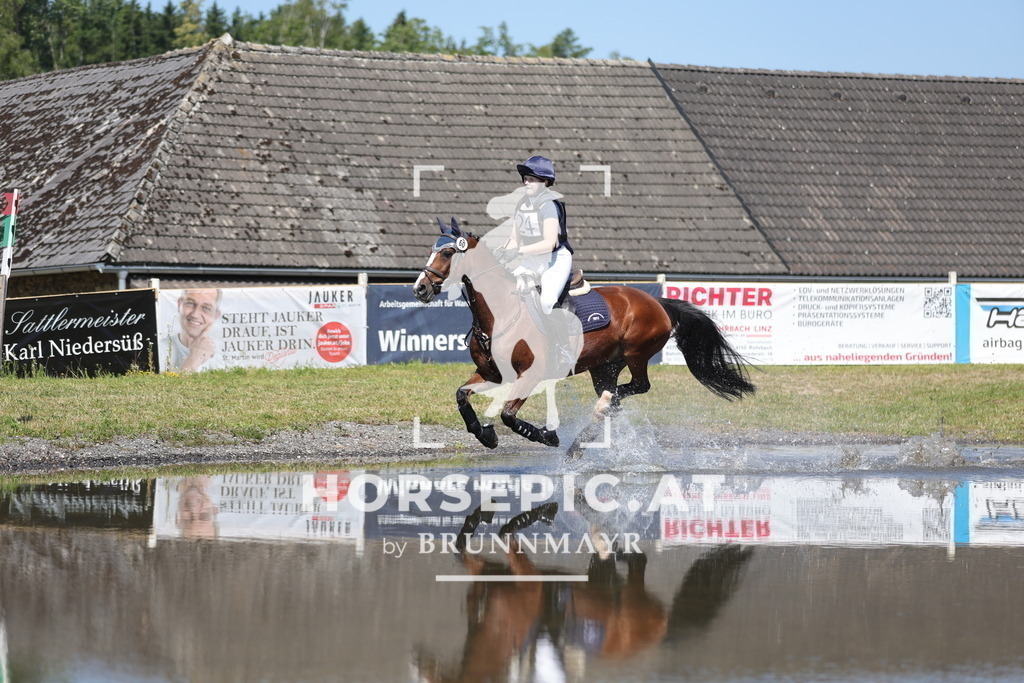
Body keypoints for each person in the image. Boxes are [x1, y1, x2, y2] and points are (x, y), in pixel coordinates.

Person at [496, 156, 578, 367]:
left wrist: (518, 251)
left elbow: (550, 243)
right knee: (508, 291)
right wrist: (501, 252)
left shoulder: (549, 205)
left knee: (547, 301)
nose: (526, 182)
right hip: (533, 258)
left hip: (555, 259)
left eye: (532, 179)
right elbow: (514, 239)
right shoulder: (522, 204)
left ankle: (562, 350)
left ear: (545, 182)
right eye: (525, 178)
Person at [165, 288, 223, 373]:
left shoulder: (225, 354)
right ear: (179, 304)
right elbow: (167, 385)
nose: (195, 315)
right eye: (190, 304)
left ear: (216, 315)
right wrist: (194, 359)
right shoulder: (158, 349)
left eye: (206, 308)